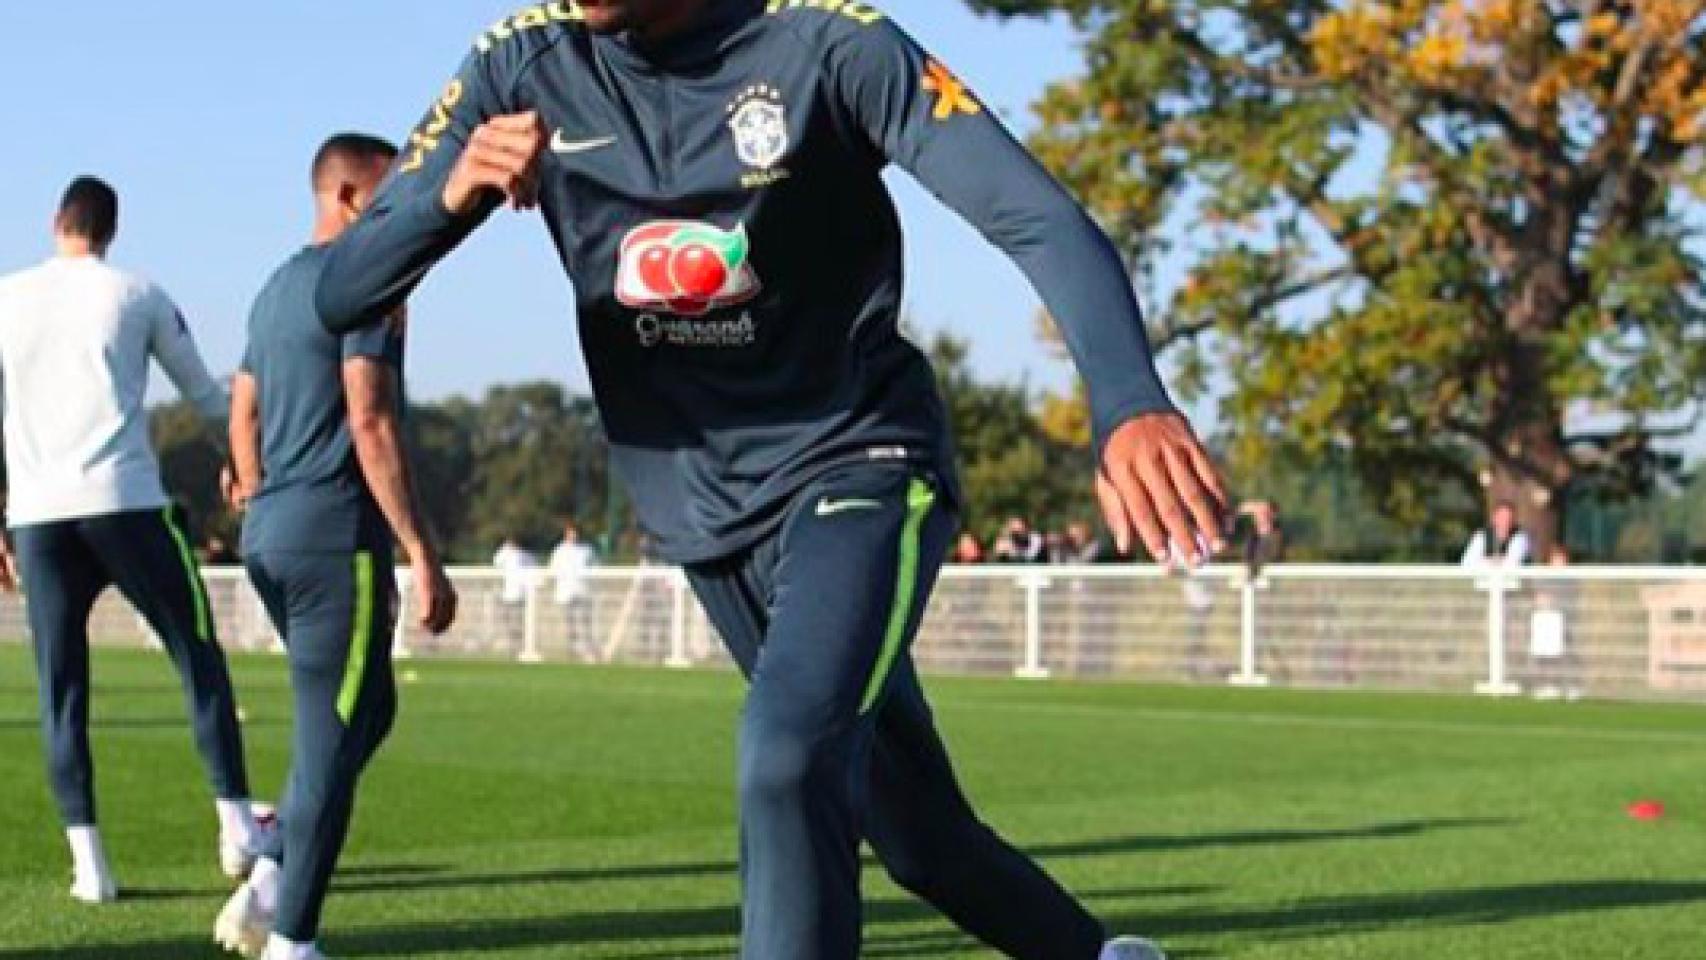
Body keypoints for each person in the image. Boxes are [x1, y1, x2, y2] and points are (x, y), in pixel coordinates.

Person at [315, 3, 1227, 958]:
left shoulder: (834, 44)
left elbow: (1036, 216)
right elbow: (344, 290)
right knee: (918, 836)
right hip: (702, 514)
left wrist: (1128, 397)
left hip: (862, 463)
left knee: (785, 759)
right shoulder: (518, 62)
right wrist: (446, 195)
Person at [215, 134, 457, 960]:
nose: (401, 212)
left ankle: (274, 876)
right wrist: (420, 549)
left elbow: (241, 412)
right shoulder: (367, 281)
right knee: (330, 734)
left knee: (367, 708)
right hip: (331, 541)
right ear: (350, 196)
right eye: (388, 196)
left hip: (271, 537)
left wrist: (255, 489)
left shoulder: (273, 290)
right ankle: (292, 938)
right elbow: (370, 418)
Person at [0, 176, 265, 903]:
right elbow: (206, 396)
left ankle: (91, 868)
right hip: (126, 504)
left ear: (56, 221)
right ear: (110, 230)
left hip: (38, 515)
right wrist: (245, 462)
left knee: (61, 691)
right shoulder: (137, 292)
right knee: (197, 656)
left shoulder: (6, 296)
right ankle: (237, 826)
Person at [549, 520, 598, 658]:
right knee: (569, 623)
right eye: (571, 533)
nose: (573, 535)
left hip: (583, 591)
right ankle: (572, 650)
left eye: (575, 533)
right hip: (566, 592)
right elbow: (553, 570)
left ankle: (588, 650)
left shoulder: (587, 550)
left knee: (585, 622)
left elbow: (595, 568)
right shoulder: (559, 550)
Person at [1461, 501, 1529, 568]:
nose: (1505, 521)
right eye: (1501, 517)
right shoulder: (1481, 535)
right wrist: (1497, 562)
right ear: (1494, 518)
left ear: (1514, 520)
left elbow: (1513, 565)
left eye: (1509, 518)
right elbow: (1466, 563)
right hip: (1483, 578)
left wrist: (1484, 561)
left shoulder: (1520, 537)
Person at [1238, 500, 1285, 579]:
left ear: (1273, 515)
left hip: (1266, 578)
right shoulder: (1250, 537)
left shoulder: (1275, 537)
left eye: (1265, 512)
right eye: (1258, 513)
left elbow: (1274, 557)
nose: (1260, 515)